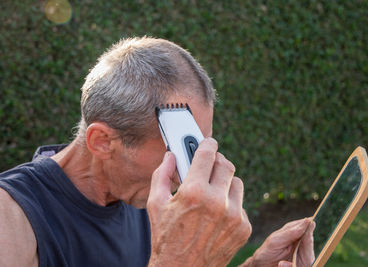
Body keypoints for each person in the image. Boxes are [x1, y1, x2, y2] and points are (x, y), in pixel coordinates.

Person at [0, 37, 315, 267]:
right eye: (175, 151)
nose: (187, 175)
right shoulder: (13, 221)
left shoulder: (143, 198)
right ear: (102, 142)